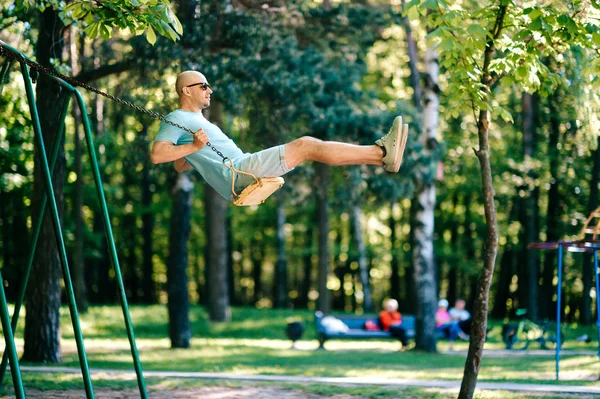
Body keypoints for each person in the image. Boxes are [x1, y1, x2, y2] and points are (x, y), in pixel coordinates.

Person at [150, 71, 409, 200]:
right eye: (204, 86)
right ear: (186, 90)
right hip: (239, 172)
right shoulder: (177, 117)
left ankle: (382, 158)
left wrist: (194, 151)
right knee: (306, 145)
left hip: (240, 170)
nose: (210, 90)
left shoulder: (194, 121)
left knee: (309, 148)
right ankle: (380, 152)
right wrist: (195, 146)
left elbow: (179, 164)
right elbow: (158, 155)